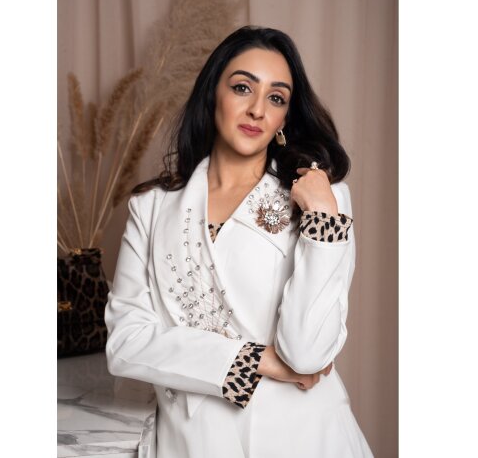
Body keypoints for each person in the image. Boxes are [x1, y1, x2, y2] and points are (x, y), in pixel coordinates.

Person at [105, 26, 373, 457]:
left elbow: (307, 355)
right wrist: (254, 360)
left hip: (304, 438)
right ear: (213, 93)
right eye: (243, 87)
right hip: (193, 442)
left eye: (276, 97)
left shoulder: (323, 199)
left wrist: (323, 217)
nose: (257, 110)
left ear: (285, 118)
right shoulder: (152, 207)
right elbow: (125, 344)